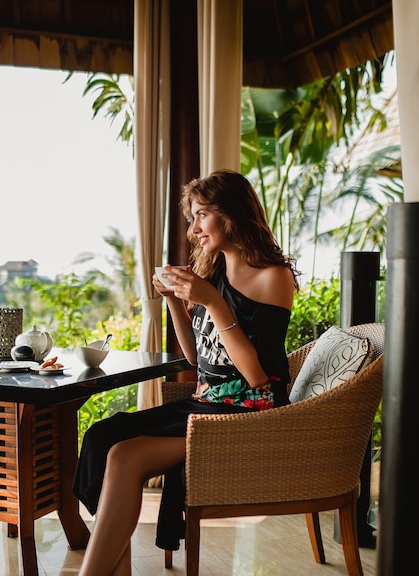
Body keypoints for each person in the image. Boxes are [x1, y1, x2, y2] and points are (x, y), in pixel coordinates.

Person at [73, 169, 299, 576]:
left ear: (232, 214)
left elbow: (257, 377)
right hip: (203, 402)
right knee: (101, 435)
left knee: (125, 456)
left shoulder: (273, 278)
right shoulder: (212, 272)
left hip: (246, 411)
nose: (194, 228)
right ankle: (114, 566)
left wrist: (213, 303)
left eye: (202, 215)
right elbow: (197, 359)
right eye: (192, 217)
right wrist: (174, 302)